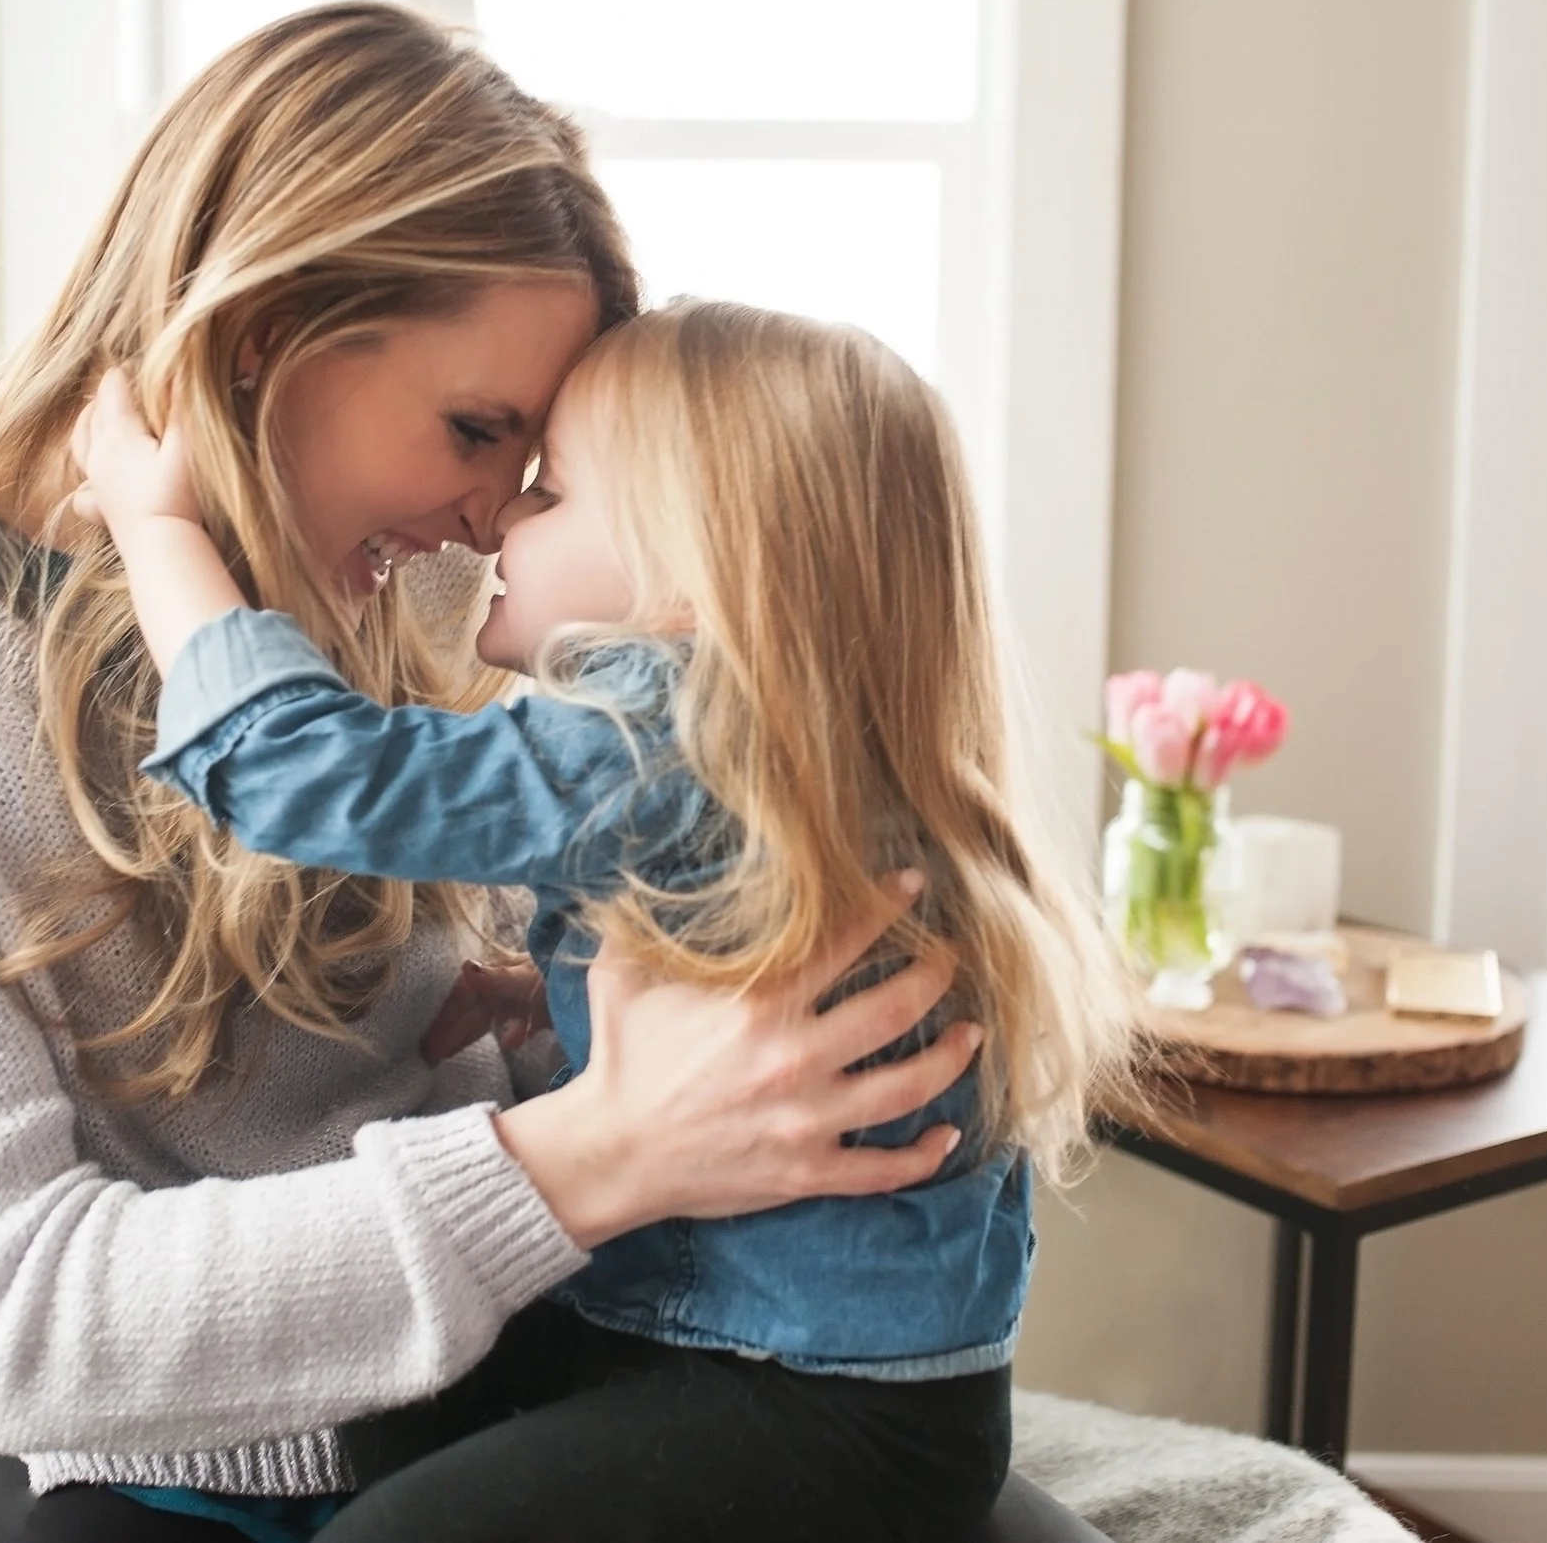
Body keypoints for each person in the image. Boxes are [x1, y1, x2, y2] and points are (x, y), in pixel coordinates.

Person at [0, 2, 1102, 1543]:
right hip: (87, 1448)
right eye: (477, 432)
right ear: (267, 328)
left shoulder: (429, 579)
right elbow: (21, 1323)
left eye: (535, 466)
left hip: (517, 1353)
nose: (491, 524)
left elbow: (571, 970)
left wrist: (631, 1029)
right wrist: (597, 1147)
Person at [68, 298, 1137, 1542]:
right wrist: (546, 989)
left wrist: (157, 527)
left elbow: (306, 775)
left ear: (696, 577)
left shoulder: (654, 721)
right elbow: (756, 946)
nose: (500, 515)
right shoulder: (801, 750)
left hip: (804, 1404)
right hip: (861, 1388)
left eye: (553, 490)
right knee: (395, 1402)